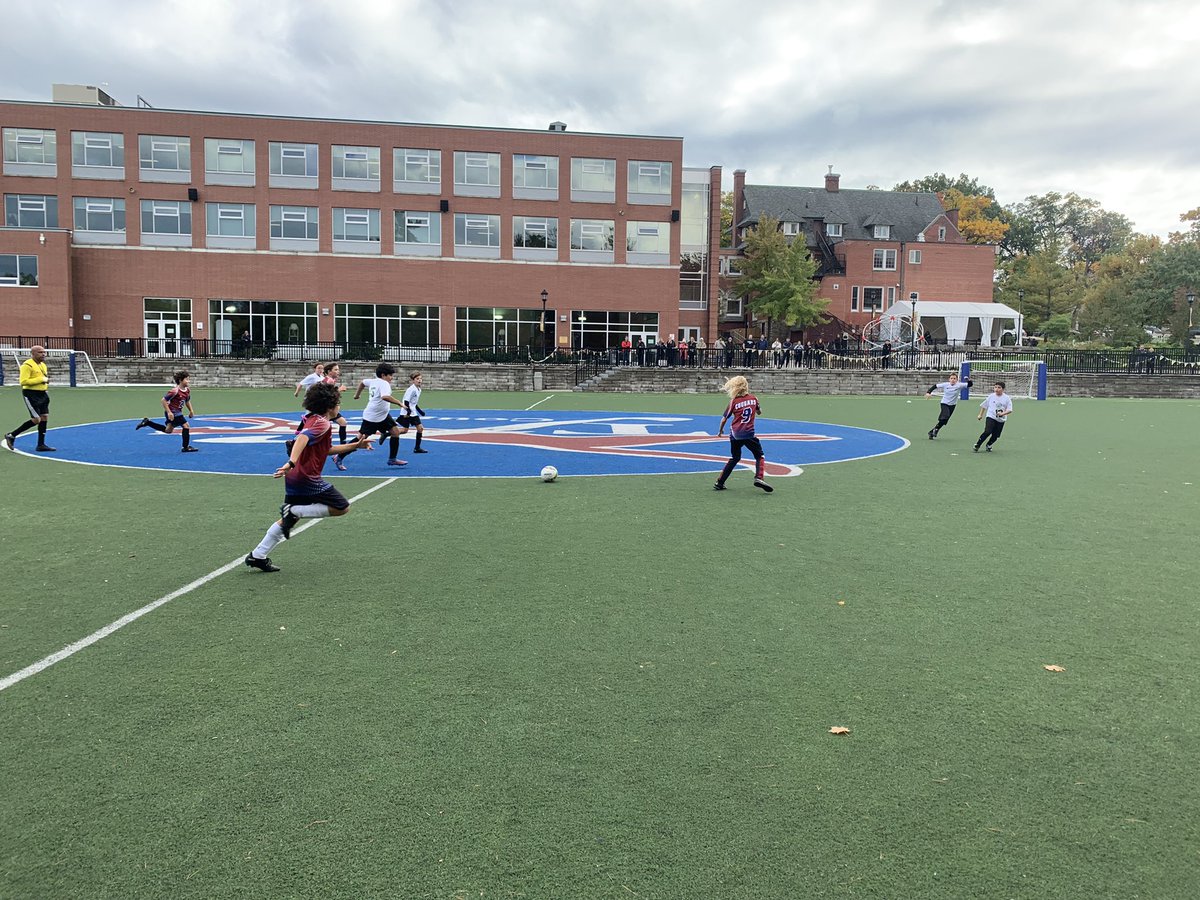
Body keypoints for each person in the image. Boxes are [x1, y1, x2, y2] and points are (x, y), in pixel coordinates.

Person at [244, 382, 372, 573]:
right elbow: (303, 438)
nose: (339, 407)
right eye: (338, 403)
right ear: (329, 406)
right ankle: (295, 511)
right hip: (306, 478)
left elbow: (325, 449)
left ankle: (258, 555)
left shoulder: (313, 418)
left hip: (295, 477)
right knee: (341, 507)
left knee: (289, 520)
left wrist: (354, 446)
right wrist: (291, 462)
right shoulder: (322, 423)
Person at [713, 375, 773, 493]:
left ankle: (720, 482)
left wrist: (720, 431)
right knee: (759, 456)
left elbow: (724, 418)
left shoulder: (733, 402)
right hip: (748, 434)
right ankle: (759, 477)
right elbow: (759, 412)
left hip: (735, 435)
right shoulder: (753, 398)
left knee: (735, 458)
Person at [352, 362, 407, 467]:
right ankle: (339, 456)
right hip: (373, 416)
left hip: (383, 415)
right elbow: (385, 396)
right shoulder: (384, 383)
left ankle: (392, 459)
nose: (391, 378)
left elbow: (362, 383)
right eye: (390, 375)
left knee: (395, 432)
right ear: (383, 375)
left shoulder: (373, 381)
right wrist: (399, 403)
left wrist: (357, 395)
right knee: (361, 438)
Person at [5, 345, 55, 452]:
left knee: (44, 417)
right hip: (31, 394)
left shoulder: (43, 365)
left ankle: (41, 445)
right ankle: (12, 435)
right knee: (36, 419)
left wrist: (45, 384)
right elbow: (23, 381)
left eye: (44, 352)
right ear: (33, 354)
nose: (43, 354)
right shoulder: (27, 365)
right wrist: (41, 379)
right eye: (40, 352)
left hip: (43, 394)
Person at [135, 370, 199, 452]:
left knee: (168, 430)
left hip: (175, 412)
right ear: (180, 380)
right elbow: (163, 400)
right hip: (174, 412)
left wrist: (191, 410)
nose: (188, 381)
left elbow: (187, 401)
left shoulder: (187, 390)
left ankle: (148, 422)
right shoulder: (175, 391)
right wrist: (169, 412)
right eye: (186, 379)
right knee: (186, 426)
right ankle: (185, 447)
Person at [924, 372, 973, 439]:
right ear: (949, 379)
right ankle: (935, 430)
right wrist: (928, 392)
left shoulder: (959, 385)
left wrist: (968, 380)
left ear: (957, 380)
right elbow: (935, 386)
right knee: (945, 415)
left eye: (954, 378)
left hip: (952, 405)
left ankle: (932, 431)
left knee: (944, 420)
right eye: (951, 378)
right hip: (944, 403)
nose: (953, 380)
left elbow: (970, 384)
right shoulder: (945, 385)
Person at [974, 381, 1013, 452]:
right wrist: (980, 415)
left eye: (999, 387)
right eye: (995, 387)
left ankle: (989, 444)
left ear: (1003, 389)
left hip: (1001, 419)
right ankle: (977, 445)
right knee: (987, 431)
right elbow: (984, 405)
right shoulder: (991, 396)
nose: (996, 389)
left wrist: (1002, 414)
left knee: (996, 436)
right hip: (991, 416)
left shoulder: (1007, 398)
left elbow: (1010, 410)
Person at [399, 371, 428, 453]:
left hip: (413, 412)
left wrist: (420, 411)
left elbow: (414, 403)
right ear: (413, 380)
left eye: (420, 378)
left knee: (420, 428)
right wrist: (408, 413)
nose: (419, 380)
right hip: (406, 412)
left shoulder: (419, 389)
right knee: (404, 430)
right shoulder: (411, 389)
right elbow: (406, 402)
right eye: (417, 379)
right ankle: (387, 434)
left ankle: (417, 448)